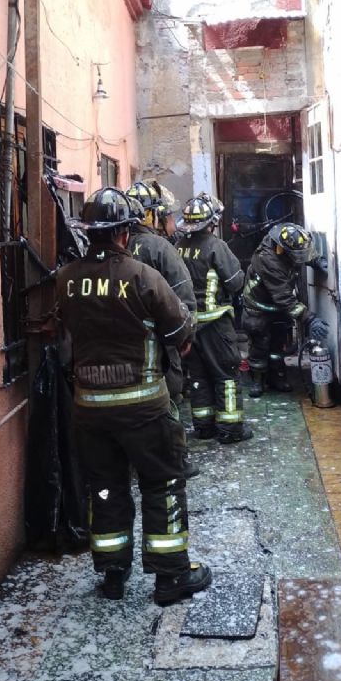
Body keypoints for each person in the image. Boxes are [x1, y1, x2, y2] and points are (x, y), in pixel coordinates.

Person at [56, 186, 212, 605]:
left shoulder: (65, 280)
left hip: (88, 409)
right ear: (126, 232)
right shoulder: (143, 277)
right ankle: (171, 576)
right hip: (144, 408)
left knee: (104, 487)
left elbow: (62, 336)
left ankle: (111, 571)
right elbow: (182, 337)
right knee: (162, 485)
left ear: (89, 233)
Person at [126, 181, 199, 478]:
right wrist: (186, 335)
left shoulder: (117, 246)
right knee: (168, 400)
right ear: (150, 216)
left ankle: (134, 460)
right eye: (165, 215)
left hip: (121, 349)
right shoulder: (160, 248)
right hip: (160, 346)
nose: (170, 222)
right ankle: (173, 460)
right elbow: (184, 298)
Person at [175, 195, 252, 444]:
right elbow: (235, 282)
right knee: (227, 374)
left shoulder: (177, 246)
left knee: (198, 376)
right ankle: (231, 430)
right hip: (216, 324)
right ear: (212, 222)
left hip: (188, 325)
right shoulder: (216, 246)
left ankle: (203, 427)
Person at [242, 222, 330, 397]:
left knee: (277, 345)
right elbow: (284, 298)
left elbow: (300, 251)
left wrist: (316, 260)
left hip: (278, 307)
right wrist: (309, 319)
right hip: (258, 309)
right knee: (260, 346)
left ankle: (278, 377)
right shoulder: (267, 260)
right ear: (282, 249)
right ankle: (257, 380)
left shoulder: (284, 240)